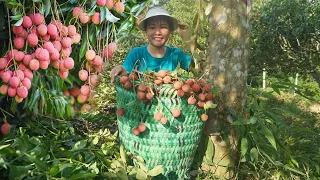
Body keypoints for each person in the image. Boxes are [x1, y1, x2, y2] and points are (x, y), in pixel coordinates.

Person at [110, 7, 192, 83]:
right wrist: (120, 69)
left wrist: (189, 40)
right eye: (152, 27)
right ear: (146, 31)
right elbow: (125, 70)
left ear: (170, 31)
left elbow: (198, 68)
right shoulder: (136, 54)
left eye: (163, 27)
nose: (158, 32)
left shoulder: (177, 55)